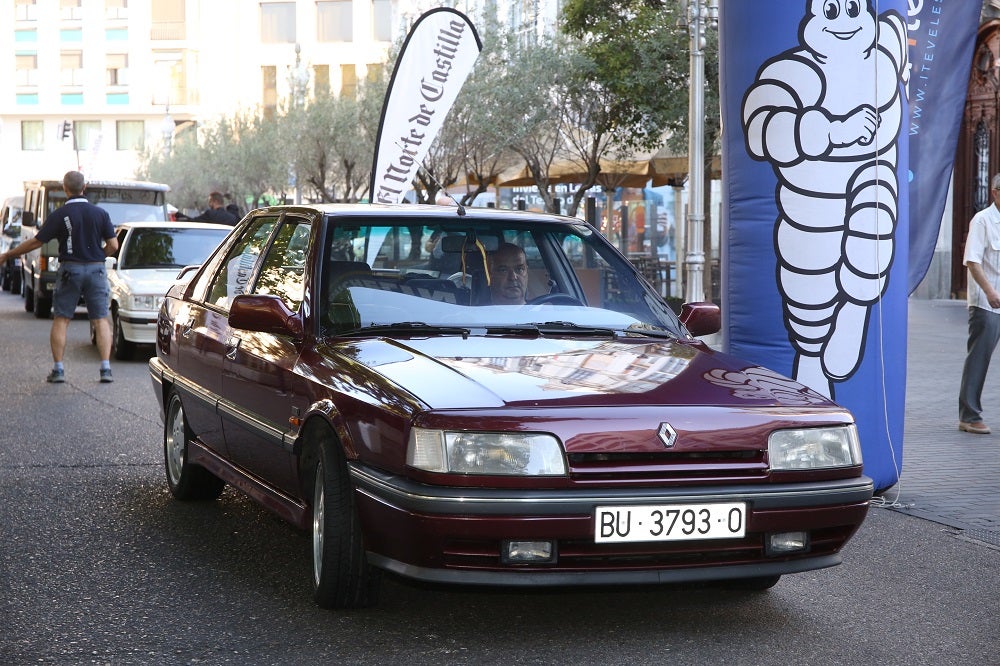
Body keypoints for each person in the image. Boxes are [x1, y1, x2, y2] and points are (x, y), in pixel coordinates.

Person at [0, 171, 119, 383]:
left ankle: (58, 369)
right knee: (100, 319)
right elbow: (113, 245)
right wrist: (97, 256)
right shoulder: (100, 214)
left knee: (62, 319)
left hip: (70, 269)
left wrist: (9, 254)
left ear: (65, 189)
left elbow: (36, 242)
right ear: (85, 187)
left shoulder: (59, 215)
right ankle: (105, 369)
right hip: (96, 270)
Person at [958, 173, 1000, 435]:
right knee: (979, 359)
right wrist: (990, 292)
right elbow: (972, 261)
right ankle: (969, 416)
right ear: (996, 192)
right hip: (988, 304)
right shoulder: (983, 220)